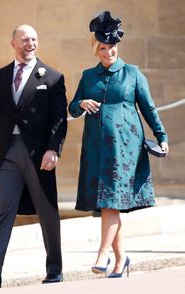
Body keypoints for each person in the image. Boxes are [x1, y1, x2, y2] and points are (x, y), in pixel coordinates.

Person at [0, 24, 68, 288]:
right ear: (13, 44)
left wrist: (53, 149)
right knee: (2, 211)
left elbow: (59, 120)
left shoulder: (53, 78)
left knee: (47, 212)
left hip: (38, 154)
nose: (30, 43)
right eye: (24, 39)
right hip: (7, 152)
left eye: (34, 39)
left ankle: (54, 269)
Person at [68, 11, 169, 278]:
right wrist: (81, 103)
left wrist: (162, 136)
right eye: (102, 47)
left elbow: (148, 107)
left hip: (125, 148)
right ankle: (121, 258)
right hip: (95, 146)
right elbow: (72, 107)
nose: (108, 51)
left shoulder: (133, 73)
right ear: (96, 50)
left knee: (111, 200)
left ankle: (103, 253)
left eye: (111, 46)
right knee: (107, 201)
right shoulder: (88, 76)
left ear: (117, 47)